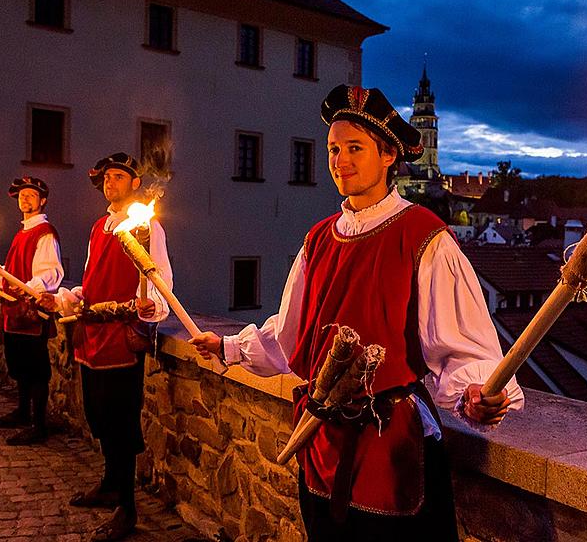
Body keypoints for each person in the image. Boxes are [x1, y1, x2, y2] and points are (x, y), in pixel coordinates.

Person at [190, 85, 524, 541]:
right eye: (332, 149)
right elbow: (289, 335)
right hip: (323, 442)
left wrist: (475, 394)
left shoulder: (424, 236)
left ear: (388, 156)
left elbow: (463, 346)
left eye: (354, 148)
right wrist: (229, 346)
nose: (339, 160)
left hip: (392, 447)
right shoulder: (319, 239)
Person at [39, 153, 172, 542]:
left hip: (119, 338)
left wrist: (151, 308)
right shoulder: (100, 227)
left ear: (135, 183)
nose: (111, 183)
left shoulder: (147, 228)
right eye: (107, 178)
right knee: (98, 417)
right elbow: (92, 278)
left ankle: (127, 508)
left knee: (120, 423)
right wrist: (69, 298)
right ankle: (111, 483)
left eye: (119, 176)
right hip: (90, 335)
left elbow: (158, 279)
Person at [0, 176, 63, 445]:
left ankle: (39, 425)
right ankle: (23, 412)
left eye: (31, 195)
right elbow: (11, 276)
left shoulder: (44, 233)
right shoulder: (23, 232)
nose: (25, 199)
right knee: (20, 367)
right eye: (22, 195)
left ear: (42, 200)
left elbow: (50, 273)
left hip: (31, 314)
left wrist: (27, 290)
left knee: (36, 371)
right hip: (14, 311)